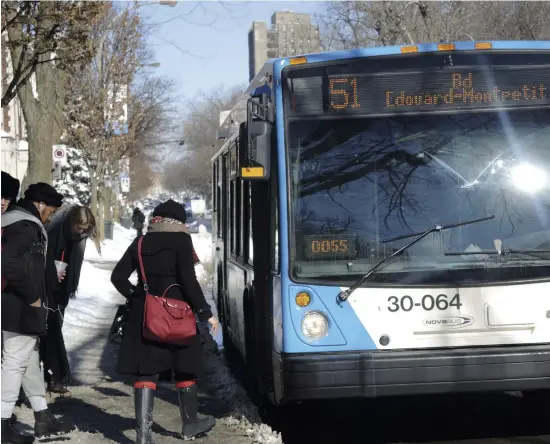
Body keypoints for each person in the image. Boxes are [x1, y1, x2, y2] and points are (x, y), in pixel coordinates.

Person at [111, 199, 220, 443]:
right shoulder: (182, 241)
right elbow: (188, 280)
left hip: (145, 315)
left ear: (155, 220)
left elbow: (117, 277)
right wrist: (205, 312)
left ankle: (144, 435)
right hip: (178, 314)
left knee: (145, 370)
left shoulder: (140, 242)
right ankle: (191, 423)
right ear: (179, 222)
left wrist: (137, 296)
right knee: (185, 365)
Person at [1, 183, 75, 443]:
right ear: (41, 204)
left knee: (29, 360)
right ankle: (2, 426)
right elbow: (8, 263)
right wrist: (33, 296)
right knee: (14, 362)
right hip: (18, 306)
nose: (50, 216)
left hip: (15, 304)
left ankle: (43, 417)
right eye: (51, 211)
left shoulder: (13, 221)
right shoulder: (25, 226)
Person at [41, 204, 100, 397]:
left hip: (61, 290)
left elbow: (75, 262)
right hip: (45, 288)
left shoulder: (78, 238)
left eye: (85, 230)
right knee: (45, 333)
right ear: (71, 223)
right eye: (79, 228)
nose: (82, 233)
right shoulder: (55, 230)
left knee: (54, 330)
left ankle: (53, 377)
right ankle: (46, 377)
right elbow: (46, 257)